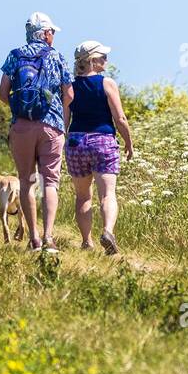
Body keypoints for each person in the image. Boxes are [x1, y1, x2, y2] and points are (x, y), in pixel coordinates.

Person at [0, 11, 73, 253]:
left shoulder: (14, 55)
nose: (53, 36)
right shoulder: (57, 57)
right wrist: (62, 120)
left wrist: (20, 112)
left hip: (21, 127)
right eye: (52, 32)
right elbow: (69, 95)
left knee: (26, 181)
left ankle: (34, 239)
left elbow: (2, 93)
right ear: (45, 34)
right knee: (50, 181)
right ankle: (49, 238)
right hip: (51, 125)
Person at [65, 40, 133, 254]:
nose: (106, 59)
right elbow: (120, 117)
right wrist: (129, 142)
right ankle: (107, 231)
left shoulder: (69, 86)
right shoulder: (107, 83)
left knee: (83, 196)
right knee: (107, 194)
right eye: (103, 56)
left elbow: (65, 120)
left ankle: (86, 242)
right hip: (102, 141)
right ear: (93, 61)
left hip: (76, 142)